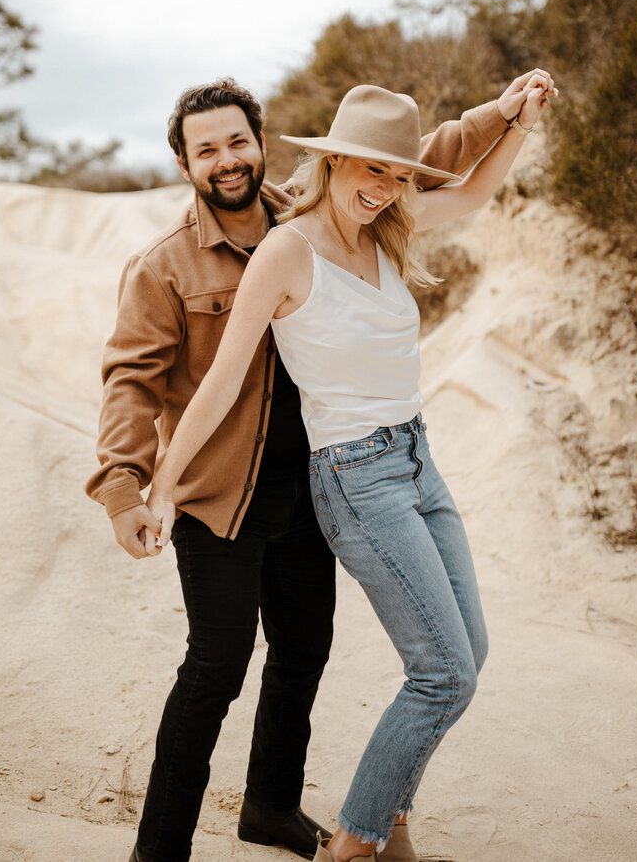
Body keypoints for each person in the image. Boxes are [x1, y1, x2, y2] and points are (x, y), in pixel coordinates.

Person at [86, 75, 540, 862]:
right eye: (207, 149)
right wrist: (134, 485)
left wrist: (506, 115)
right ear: (185, 161)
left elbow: (419, 164)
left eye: (238, 142)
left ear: (263, 146)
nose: (226, 160)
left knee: (307, 653)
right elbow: (144, 379)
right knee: (218, 667)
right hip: (231, 491)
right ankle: (168, 848)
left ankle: (273, 808)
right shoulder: (185, 263)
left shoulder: (337, 207)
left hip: (335, 479)